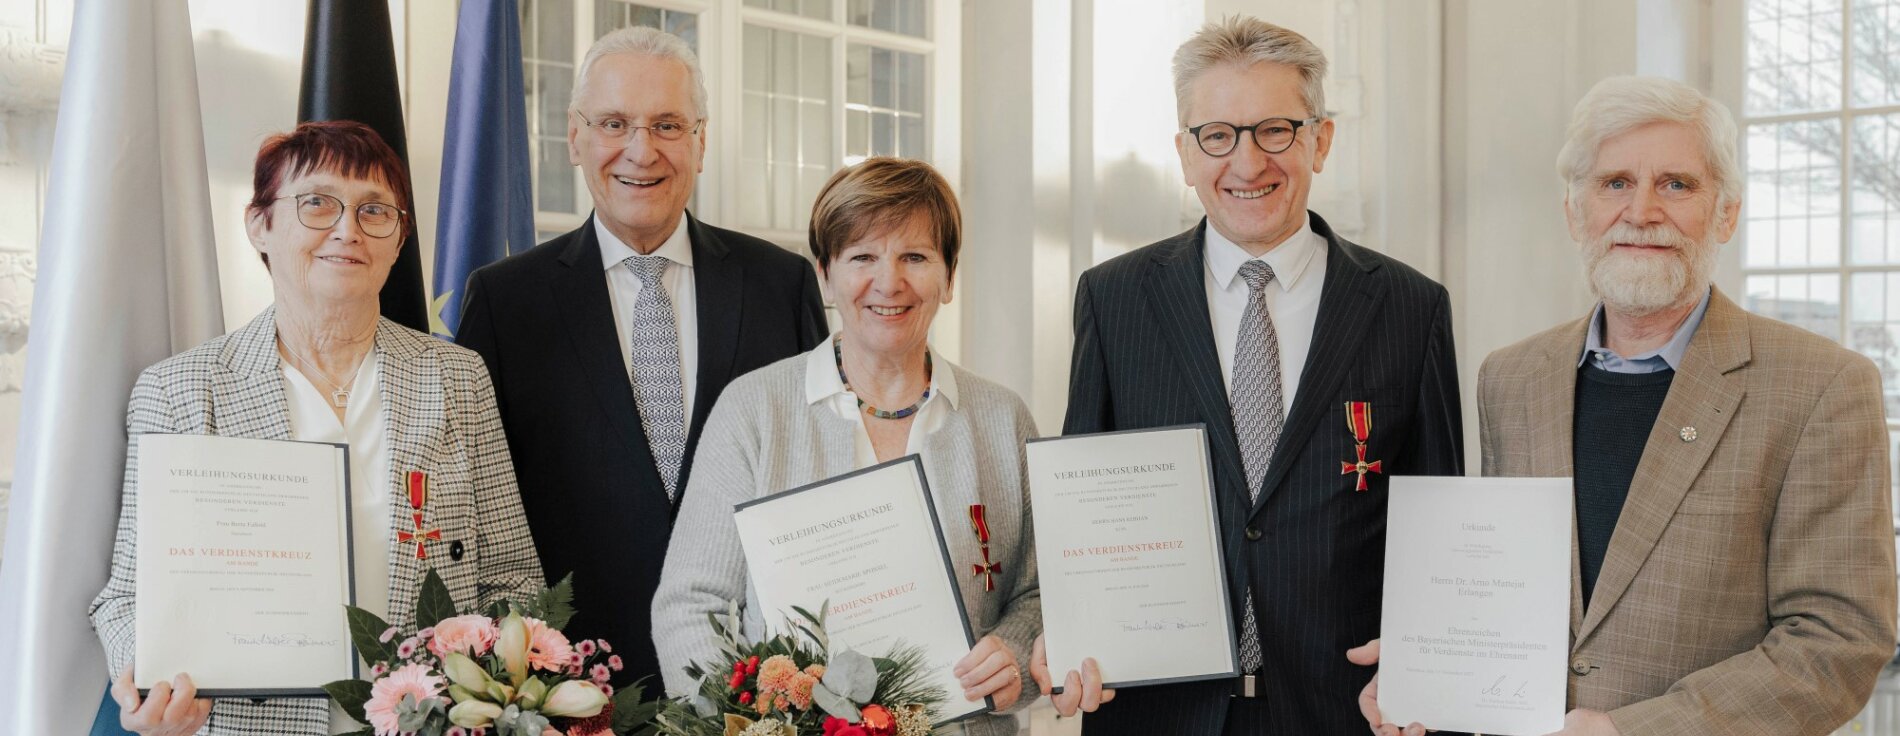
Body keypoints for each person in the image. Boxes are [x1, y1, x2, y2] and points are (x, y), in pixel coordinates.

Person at [1355, 75, 1898, 736]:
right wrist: (1431, 671)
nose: (1641, 211)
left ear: (1726, 212)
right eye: (1614, 183)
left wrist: (1631, 732)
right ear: (1574, 210)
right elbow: (1507, 591)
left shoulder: (1823, 386)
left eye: (1677, 184)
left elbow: (1840, 642)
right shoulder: (1510, 379)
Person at [1034, 16, 1464, 734]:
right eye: (1218, 134)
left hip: (1345, 713)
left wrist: (1423, 664)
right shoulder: (1112, 299)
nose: (1246, 161)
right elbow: (1085, 504)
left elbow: (1438, 521)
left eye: (1275, 130)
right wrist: (1071, 631)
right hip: (1157, 711)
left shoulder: (1411, 307)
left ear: (1320, 140)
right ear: (1184, 151)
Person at [89, 120, 545, 736]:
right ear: (260, 224)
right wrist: (146, 684)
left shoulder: (458, 378)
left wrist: (494, 696)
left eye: (374, 210)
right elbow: (125, 600)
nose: (347, 230)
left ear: (399, 237)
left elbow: (514, 575)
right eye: (317, 204)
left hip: (433, 725)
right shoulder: (180, 391)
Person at [456, 26, 828, 689]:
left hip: (754, 690)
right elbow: (478, 508)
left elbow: (819, 475)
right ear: (575, 138)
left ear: (701, 142)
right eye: (614, 123)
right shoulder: (506, 303)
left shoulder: (782, 285)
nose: (640, 150)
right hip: (567, 691)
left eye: (666, 125)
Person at [650, 158, 1040, 735]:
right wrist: (746, 725)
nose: (889, 282)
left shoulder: (1002, 419)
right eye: (862, 257)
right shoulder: (753, 410)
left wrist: (1014, 655)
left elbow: (1038, 591)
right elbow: (689, 605)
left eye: (915, 257)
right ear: (826, 276)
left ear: (949, 277)